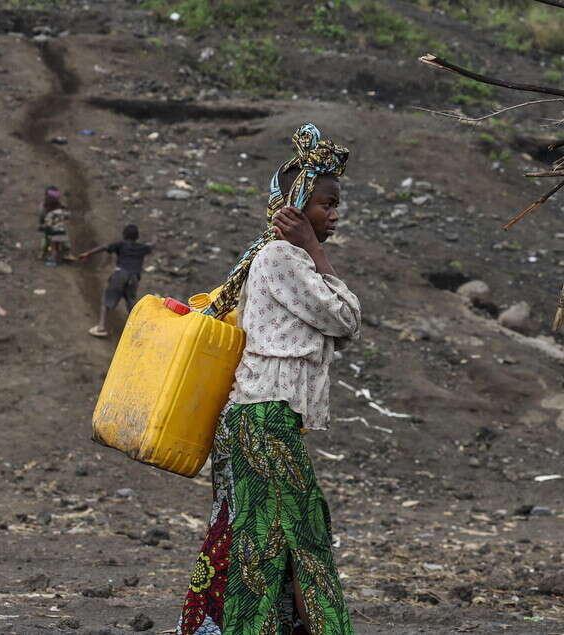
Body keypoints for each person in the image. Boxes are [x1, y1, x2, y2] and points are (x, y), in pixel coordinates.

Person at [176, 124, 359, 635]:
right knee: (290, 537)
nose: (335, 213)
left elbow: (339, 324)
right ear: (297, 206)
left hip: (261, 418)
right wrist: (314, 249)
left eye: (336, 204)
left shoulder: (286, 259)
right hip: (263, 418)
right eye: (326, 203)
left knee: (260, 535)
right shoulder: (282, 257)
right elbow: (346, 319)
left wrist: (313, 251)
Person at [79, 224, 154, 337]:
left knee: (107, 301)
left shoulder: (121, 244)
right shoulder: (142, 247)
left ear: (124, 235)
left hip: (120, 275)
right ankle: (140, 332)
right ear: (137, 236)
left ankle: (101, 328)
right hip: (134, 278)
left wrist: (88, 253)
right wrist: (153, 241)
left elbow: (104, 247)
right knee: (132, 305)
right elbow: (152, 245)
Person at [38, 186, 72, 265]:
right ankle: (66, 253)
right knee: (62, 240)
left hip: (52, 227)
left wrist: (42, 225)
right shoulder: (47, 206)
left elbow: (41, 217)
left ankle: (44, 252)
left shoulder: (45, 206)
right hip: (56, 227)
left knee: (48, 239)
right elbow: (67, 215)